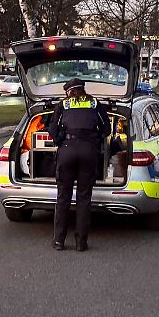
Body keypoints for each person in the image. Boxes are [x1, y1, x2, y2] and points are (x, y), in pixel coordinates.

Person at [48, 77, 110, 252]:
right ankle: (81, 243)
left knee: (63, 197)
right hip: (88, 151)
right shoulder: (94, 103)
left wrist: (60, 139)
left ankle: (59, 241)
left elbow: (52, 129)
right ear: (83, 89)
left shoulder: (64, 105)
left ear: (69, 92)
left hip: (67, 151)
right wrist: (94, 138)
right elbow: (107, 129)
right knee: (84, 198)